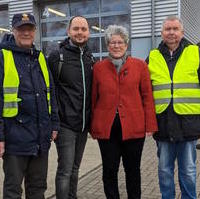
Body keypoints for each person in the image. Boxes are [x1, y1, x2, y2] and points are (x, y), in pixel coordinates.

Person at [90, 25, 158, 199]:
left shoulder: (140, 66)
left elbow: (147, 97)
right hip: (107, 128)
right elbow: (93, 98)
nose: (116, 45)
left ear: (126, 45)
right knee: (109, 169)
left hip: (134, 128)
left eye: (120, 42)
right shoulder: (98, 68)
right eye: (112, 42)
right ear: (107, 45)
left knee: (133, 170)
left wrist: (150, 125)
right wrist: (93, 126)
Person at [0, 13, 59, 199]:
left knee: (38, 188)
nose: (26, 33)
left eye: (29, 29)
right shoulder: (3, 57)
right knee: (13, 191)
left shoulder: (40, 57)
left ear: (35, 31)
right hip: (14, 139)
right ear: (13, 31)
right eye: (21, 29)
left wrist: (54, 124)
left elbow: (51, 93)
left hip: (40, 138)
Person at [147, 16, 200, 199]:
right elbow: (145, 92)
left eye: (175, 29)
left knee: (188, 172)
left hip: (189, 123)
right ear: (161, 33)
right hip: (163, 124)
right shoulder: (153, 56)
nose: (171, 32)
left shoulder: (195, 53)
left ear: (182, 32)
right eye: (167, 29)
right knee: (164, 172)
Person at [48, 16, 94, 199]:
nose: (80, 32)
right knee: (65, 170)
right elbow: (49, 90)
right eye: (76, 29)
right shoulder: (57, 56)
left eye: (83, 29)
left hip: (83, 125)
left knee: (75, 169)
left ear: (88, 32)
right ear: (68, 32)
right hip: (65, 124)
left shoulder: (89, 57)